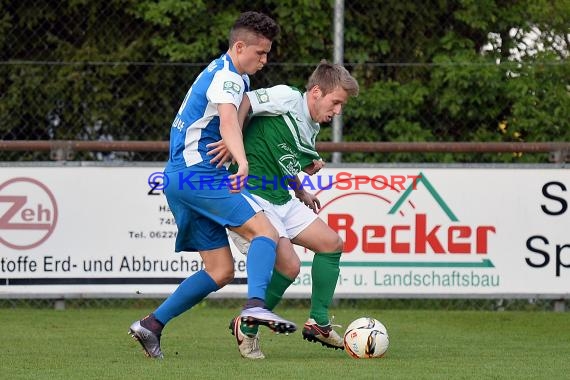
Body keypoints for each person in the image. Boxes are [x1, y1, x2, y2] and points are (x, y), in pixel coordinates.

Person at [128, 11, 297, 360]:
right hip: (199, 175)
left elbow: (226, 120)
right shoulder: (229, 77)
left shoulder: (226, 74)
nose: (264, 60)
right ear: (239, 46)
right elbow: (226, 120)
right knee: (265, 232)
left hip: (179, 178)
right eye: (260, 53)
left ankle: (151, 325)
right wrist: (242, 158)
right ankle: (255, 305)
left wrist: (228, 136)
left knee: (219, 270)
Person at [211, 61, 359, 359]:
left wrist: (300, 187)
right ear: (316, 92)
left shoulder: (312, 126)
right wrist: (232, 139)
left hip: (281, 196)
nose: (338, 111)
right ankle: (248, 328)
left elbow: (285, 158)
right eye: (336, 102)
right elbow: (244, 101)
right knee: (289, 266)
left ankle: (318, 321)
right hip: (251, 194)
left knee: (331, 244)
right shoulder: (288, 97)